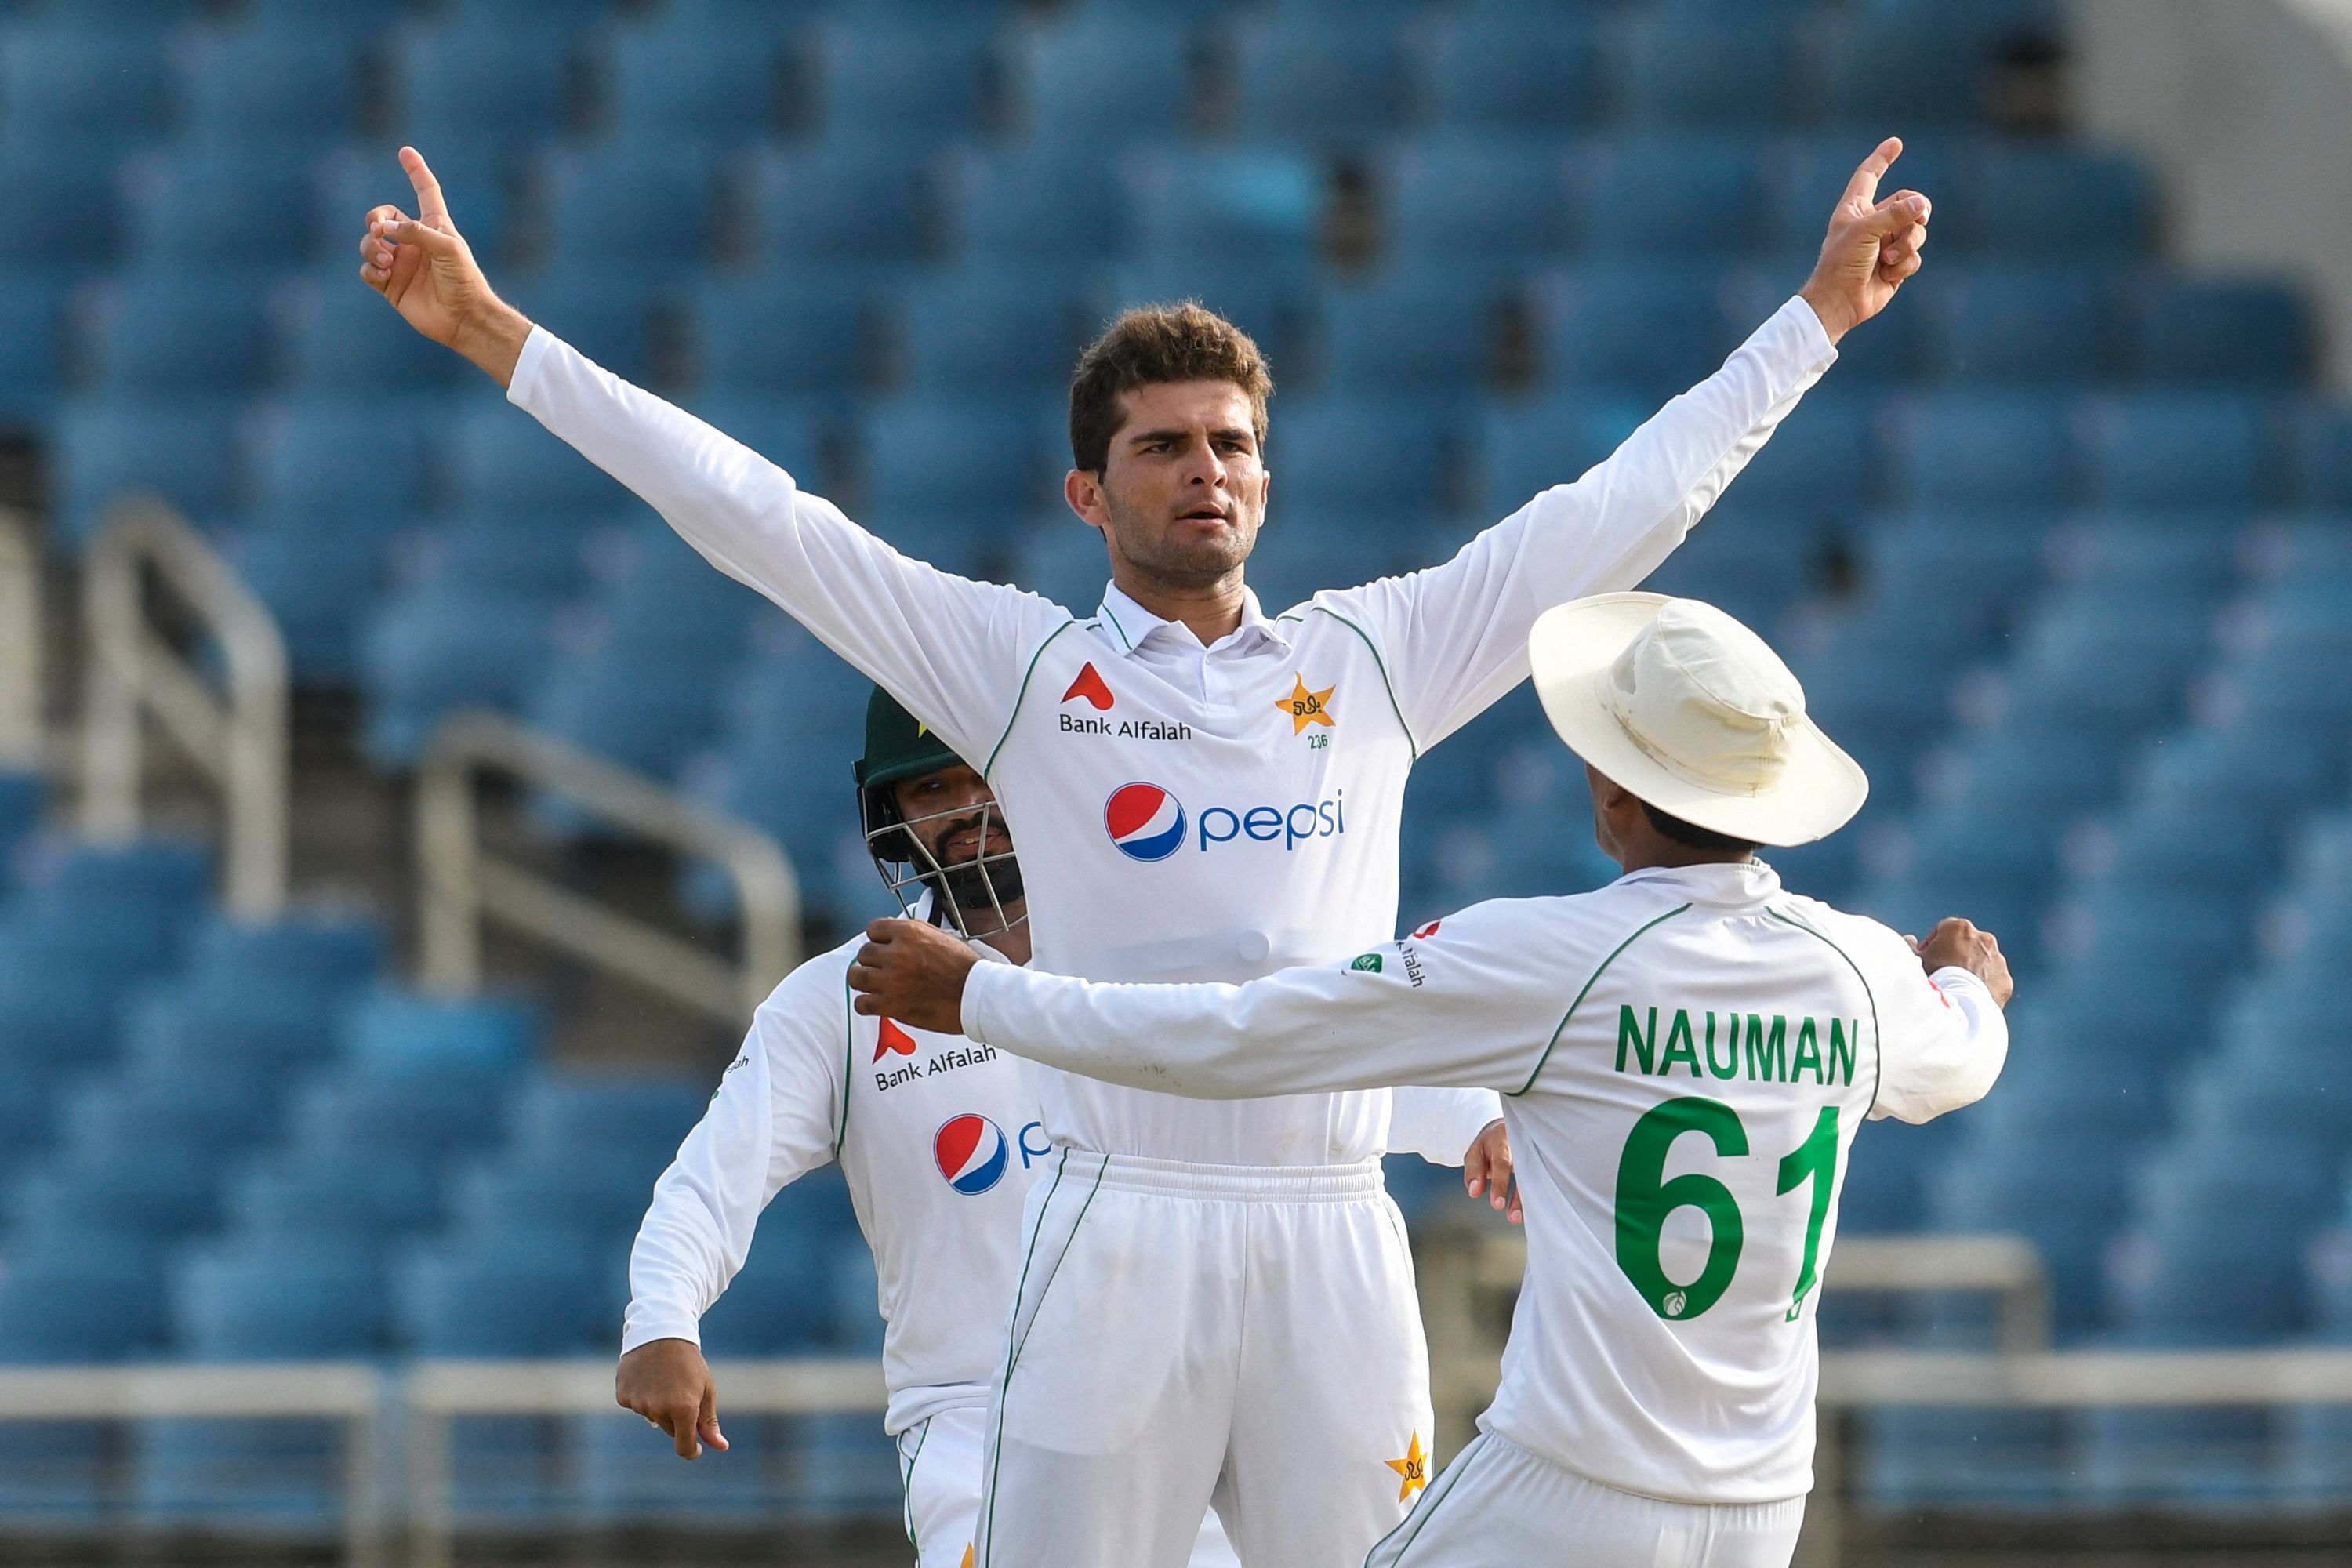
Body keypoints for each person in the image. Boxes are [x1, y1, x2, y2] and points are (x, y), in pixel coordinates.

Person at [358, 135, 1929, 1566]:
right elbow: (758, 517)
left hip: (1331, 1235)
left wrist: (1814, 322)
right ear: (1087, 492)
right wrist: (496, 335)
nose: (1205, 470)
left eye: (1231, 443)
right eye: (1164, 445)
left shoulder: (1378, 657)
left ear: (1268, 478)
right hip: (1116, 1226)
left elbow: (1626, 505)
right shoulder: (1023, 668)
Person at [845, 593, 2014, 1568]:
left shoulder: (1541, 955)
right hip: (1766, 1505)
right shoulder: (1860, 970)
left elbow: (1236, 1039)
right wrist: (1961, 980)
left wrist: (983, 997)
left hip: (1563, 1485)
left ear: (1612, 789)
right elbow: (1966, 1055)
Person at [615, 688, 1511, 1568]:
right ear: (890, 816)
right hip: (980, 1413)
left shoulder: (1184, 938)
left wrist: (1476, 1117)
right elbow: (717, 1174)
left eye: (987, 775)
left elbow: (1327, 1063)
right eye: (932, 789)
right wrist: (662, 1317)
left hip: (1204, 1383)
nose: (970, 810)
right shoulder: (839, 999)